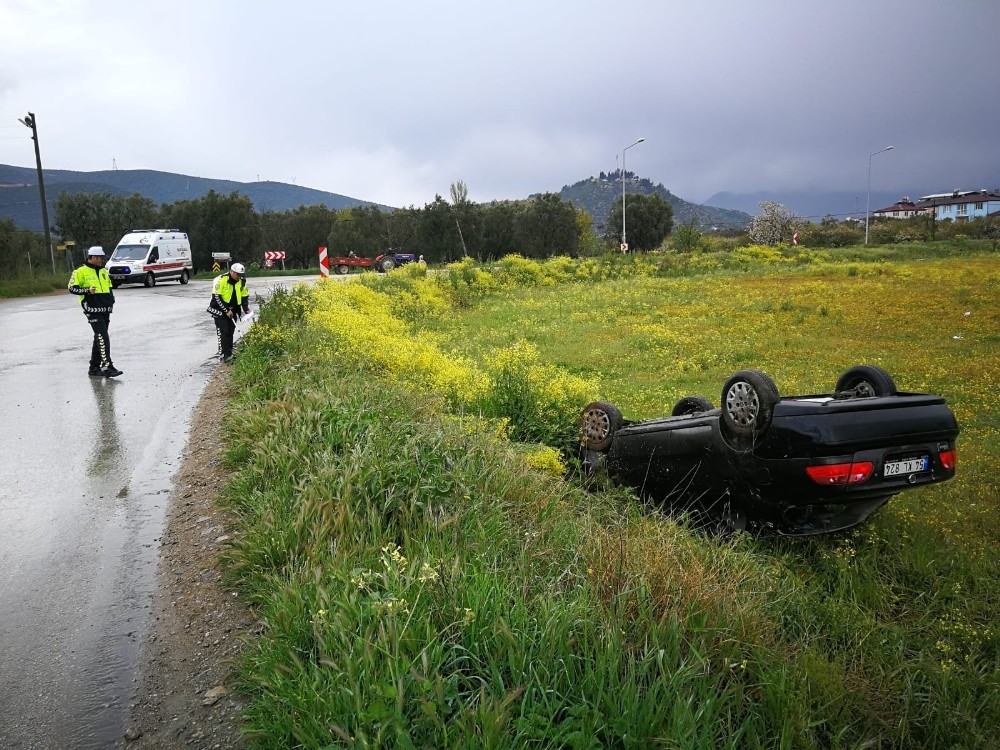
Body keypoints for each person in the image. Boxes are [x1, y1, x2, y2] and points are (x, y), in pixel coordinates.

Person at [68, 246, 122, 377]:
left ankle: (94, 368)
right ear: (93, 257)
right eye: (100, 258)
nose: (102, 260)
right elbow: (71, 288)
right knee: (103, 336)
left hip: (105, 309)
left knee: (99, 337)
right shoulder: (80, 271)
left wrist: (111, 300)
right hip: (92, 309)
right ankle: (107, 366)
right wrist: (87, 291)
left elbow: (109, 286)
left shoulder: (103, 271)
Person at [207, 262, 250, 362]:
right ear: (232, 272)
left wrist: (246, 309)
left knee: (231, 331)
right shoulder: (221, 280)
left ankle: (229, 353)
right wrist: (226, 310)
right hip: (219, 309)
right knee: (224, 331)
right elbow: (216, 297)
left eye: (241, 275)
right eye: (238, 275)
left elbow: (244, 295)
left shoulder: (241, 281)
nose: (239, 277)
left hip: (233, 309)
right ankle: (224, 354)